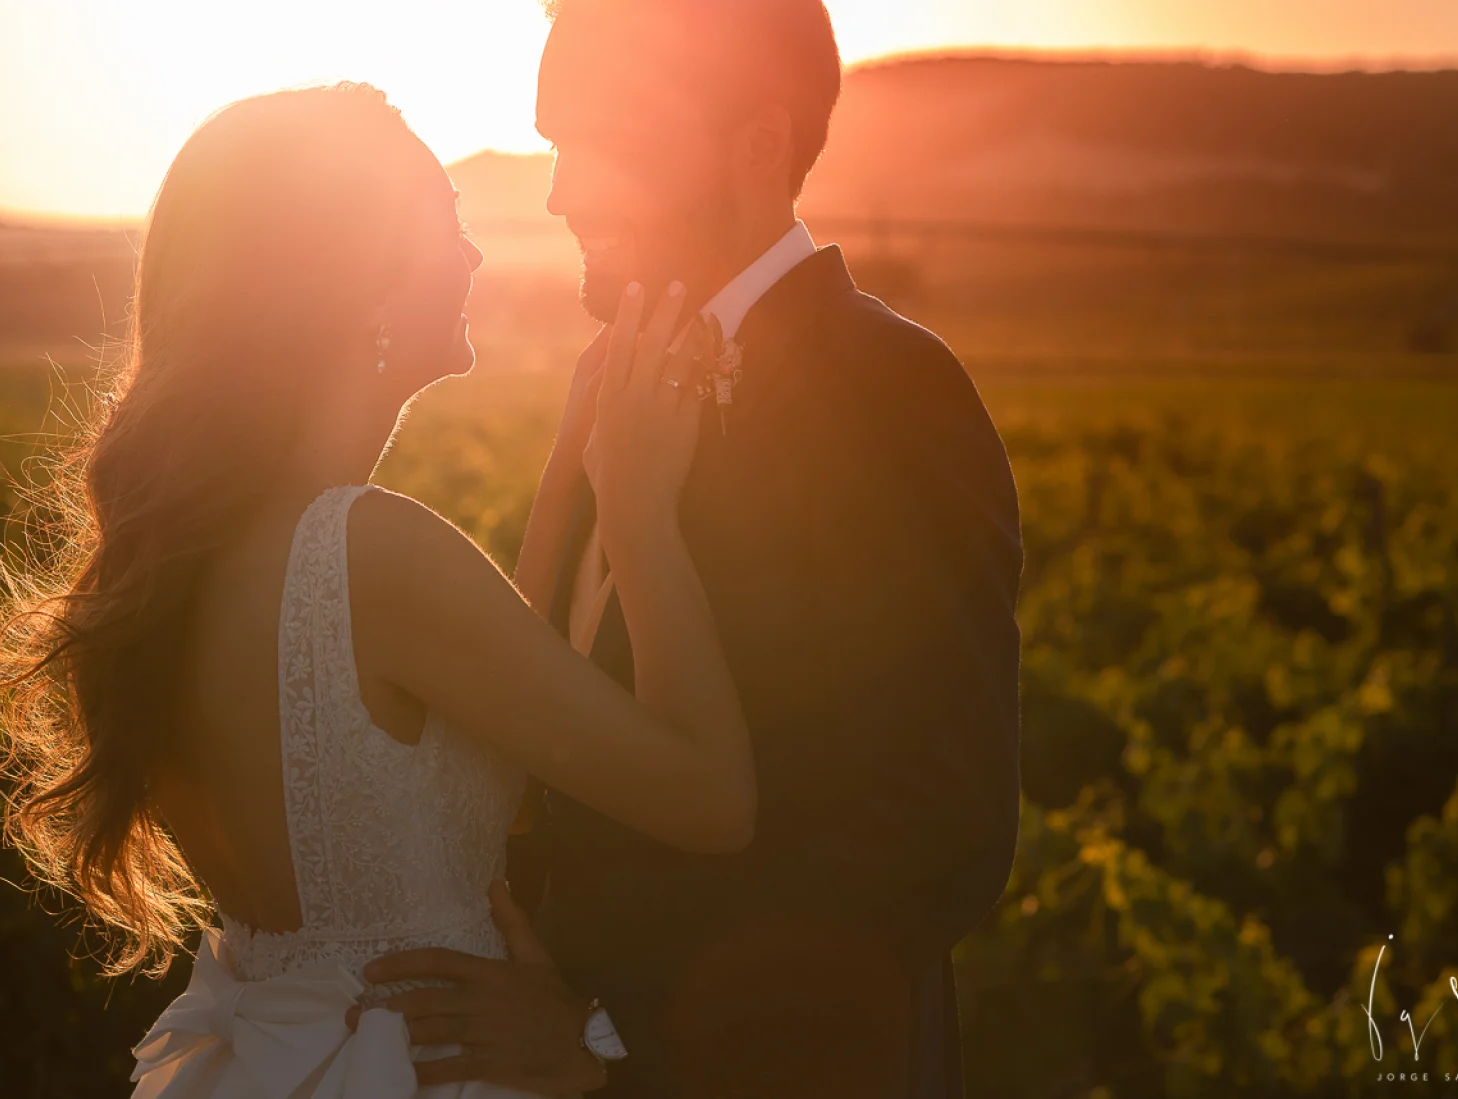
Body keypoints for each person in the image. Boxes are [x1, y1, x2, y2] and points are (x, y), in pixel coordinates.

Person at [0, 83, 754, 1098]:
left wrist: (577, 457)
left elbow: (500, 705)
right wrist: (639, 515)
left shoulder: (196, 555)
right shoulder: (373, 556)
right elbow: (712, 799)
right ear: (359, 275)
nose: (475, 254)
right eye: (447, 221)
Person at [358, 2, 1025, 1097]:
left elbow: (931, 836)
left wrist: (606, 1043)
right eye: (554, 142)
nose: (563, 191)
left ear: (758, 144)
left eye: (603, 143)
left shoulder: (894, 394)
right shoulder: (601, 379)